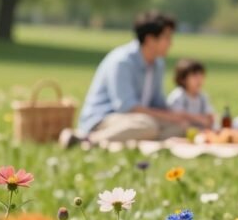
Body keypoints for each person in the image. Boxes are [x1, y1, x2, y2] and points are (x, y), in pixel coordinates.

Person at [61, 11, 196, 147]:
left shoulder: (158, 64)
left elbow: (158, 103)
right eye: (166, 38)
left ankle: (135, 139)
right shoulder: (122, 62)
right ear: (150, 39)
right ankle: (87, 140)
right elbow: (127, 107)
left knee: (181, 127)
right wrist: (168, 117)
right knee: (147, 125)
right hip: (105, 119)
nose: (170, 43)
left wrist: (182, 117)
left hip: (139, 119)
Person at [167, 59, 215, 129]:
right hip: (181, 130)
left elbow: (209, 114)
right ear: (182, 79)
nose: (199, 79)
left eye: (201, 75)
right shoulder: (178, 96)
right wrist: (199, 119)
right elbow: (177, 115)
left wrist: (210, 119)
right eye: (194, 76)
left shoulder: (202, 96)